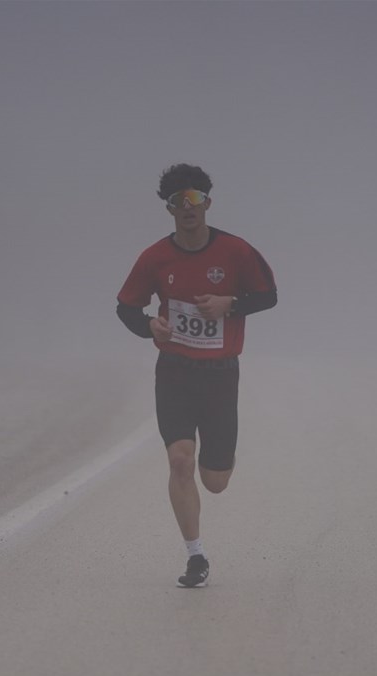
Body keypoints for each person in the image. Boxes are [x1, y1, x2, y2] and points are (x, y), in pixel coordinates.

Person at [116, 164, 277, 587]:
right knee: (179, 460)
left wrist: (232, 304)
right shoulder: (155, 258)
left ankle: (218, 463)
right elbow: (126, 308)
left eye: (193, 199)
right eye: (176, 202)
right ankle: (196, 557)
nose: (186, 208)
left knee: (216, 480)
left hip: (221, 375)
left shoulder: (237, 252)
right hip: (175, 372)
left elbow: (268, 296)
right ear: (168, 209)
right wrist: (149, 324)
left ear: (207, 202)